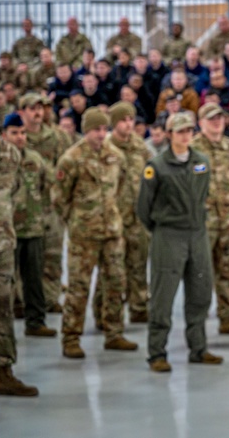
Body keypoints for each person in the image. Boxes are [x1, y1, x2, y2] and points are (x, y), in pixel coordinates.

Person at [136, 112, 223, 372]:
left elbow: (203, 194)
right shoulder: (157, 166)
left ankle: (198, 348)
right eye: (180, 131)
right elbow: (144, 208)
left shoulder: (201, 162)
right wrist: (162, 227)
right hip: (169, 235)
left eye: (189, 131)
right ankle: (157, 353)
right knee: (163, 296)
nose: (185, 136)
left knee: (200, 293)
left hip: (197, 234)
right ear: (169, 134)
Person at [52, 108, 139, 358]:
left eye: (104, 129)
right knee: (79, 287)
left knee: (115, 283)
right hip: (84, 234)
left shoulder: (115, 156)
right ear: (86, 130)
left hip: (112, 231)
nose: (101, 134)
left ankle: (114, 333)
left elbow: (120, 188)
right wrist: (78, 218)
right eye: (95, 130)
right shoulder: (72, 159)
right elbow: (59, 198)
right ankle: (70, 337)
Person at [0, 102, 38, 396]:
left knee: (2, 310)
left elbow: (16, 191)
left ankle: (5, 373)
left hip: (1, 247)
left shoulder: (11, 155)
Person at [190, 103, 229, 336]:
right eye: (211, 118)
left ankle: (227, 317)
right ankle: (196, 322)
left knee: (227, 270)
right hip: (203, 220)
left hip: (227, 218)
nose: (217, 122)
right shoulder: (192, 149)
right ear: (201, 122)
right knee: (199, 273)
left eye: (220, 118)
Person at [93, 102, 152, 326]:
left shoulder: (140, 148)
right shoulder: (105, 148)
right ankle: (103, 313)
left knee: (138, 264)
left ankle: (138, 307)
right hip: (113, 218)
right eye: (123, 120)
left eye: (131, 120)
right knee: (110, 269)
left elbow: (151, 175)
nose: (128, 125)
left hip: (137, 217)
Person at [2, 113, 57, 338]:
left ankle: (35, 321)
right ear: (4, 135)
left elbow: (47, 186)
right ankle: (2, 330)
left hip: (33, 228)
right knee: (4, 282)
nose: (20, 137)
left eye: (23, 133)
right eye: (14, 133)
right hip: (5, 231)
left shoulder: (34, 159)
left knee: (34, 278)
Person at [20, 93, 71, 312]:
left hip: (50, 204)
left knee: (52, 254)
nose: (37, 112)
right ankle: (22, 300)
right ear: (22, 112)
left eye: (40, 108)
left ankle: (50, 299)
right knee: (24, 257)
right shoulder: (15, 138)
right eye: (32, 108)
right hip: (23, 205)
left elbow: (65, 168)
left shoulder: (57, 137)